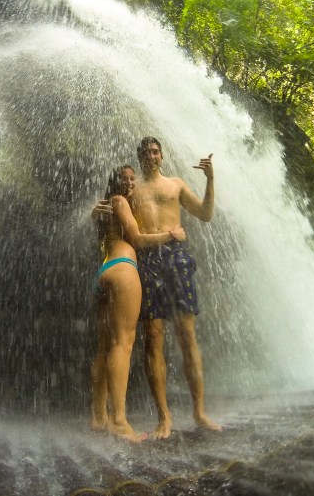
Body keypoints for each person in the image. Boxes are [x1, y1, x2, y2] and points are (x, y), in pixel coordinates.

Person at [94, 138, 221, 440]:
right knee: (153, 338)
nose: (150, 156)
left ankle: (200, 412)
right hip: (146, 260)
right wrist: (92, 211)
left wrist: (210, 180)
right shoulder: (131, 190)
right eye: (145, 152)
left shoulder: (175, 184)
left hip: (176, 258)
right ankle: (164, 418)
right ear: (139, 158)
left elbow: (205, 213)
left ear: (162, 156)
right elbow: (111, 206)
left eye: (154, 151)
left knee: (187, 334)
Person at [91, 164, 186, 442]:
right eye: (126, 178)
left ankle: (99, 417)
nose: (132, 182)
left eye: (134, 178)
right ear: (116, 181)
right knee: (124, 342)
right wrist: (171, 236)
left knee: (105, 346)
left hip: (105, 270)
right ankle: (119, 421)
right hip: (124, 268)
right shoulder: (120, 202)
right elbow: (136, 239)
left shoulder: (106, 205)